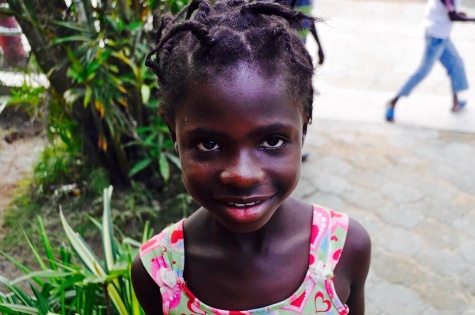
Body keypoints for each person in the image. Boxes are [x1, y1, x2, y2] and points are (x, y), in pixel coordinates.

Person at [131, 0, 371, 314]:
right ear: (175, 137)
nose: (242, 174)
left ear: (304, 128)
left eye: (272, 141)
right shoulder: (157, 273)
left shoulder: (345, 248)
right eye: (207, 145)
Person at [386, 0, 475, 122]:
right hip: (435, 39)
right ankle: (392, 102)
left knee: (456, 65)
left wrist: (460, 14)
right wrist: (471, 19)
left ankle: (456, 102)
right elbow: (452, 16)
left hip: (443, 36)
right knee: (422, 72)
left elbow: (449, 11)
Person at [287, 0, 324, 65]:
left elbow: (309, 20)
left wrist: (319, 46)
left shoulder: (308, 1)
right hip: (288, 53)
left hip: (301, 50)